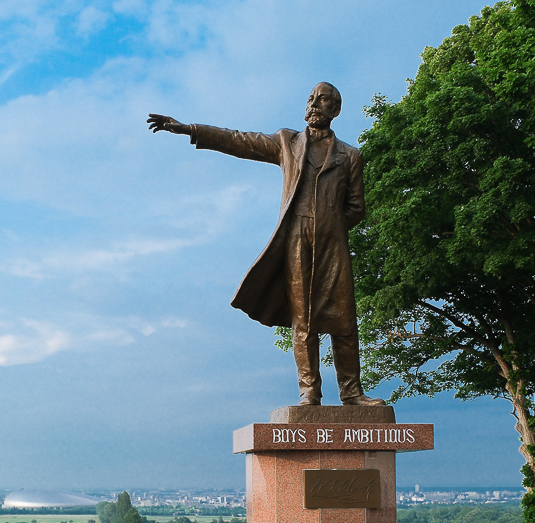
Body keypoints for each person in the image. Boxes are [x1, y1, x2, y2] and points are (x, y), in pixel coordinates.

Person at [148, 83, 385, 406]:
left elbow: (357, 207)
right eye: (311, 98)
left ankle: (352, 392)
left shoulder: (351, 156)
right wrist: (189, 129)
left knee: (343, 319)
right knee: (304, 320)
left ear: (335, 110)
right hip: (295, 242)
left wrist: (329, 223)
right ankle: (309, 393)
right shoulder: (287, 142)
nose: (314, 104)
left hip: (333, 245)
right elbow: (240, 140)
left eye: (323, 100)